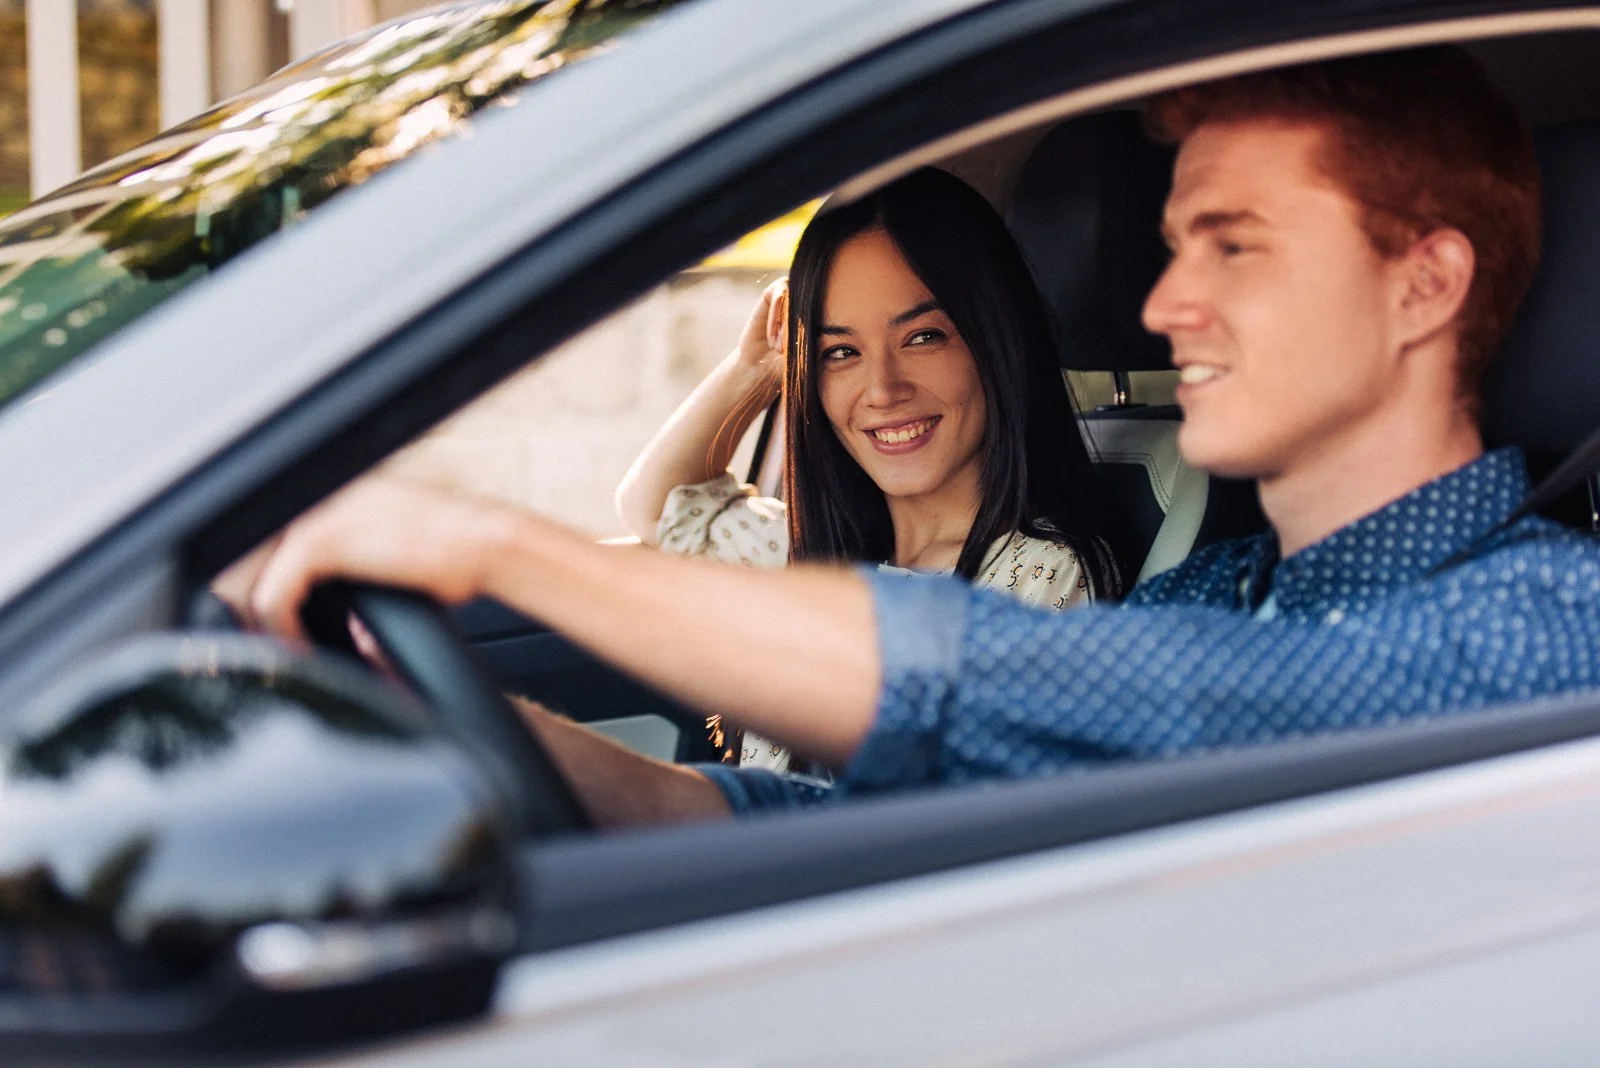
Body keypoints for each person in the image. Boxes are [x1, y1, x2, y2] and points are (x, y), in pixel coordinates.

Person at [226, 46, 1600, 827]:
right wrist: (488, 739)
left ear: (1425, 282)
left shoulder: (1546, 632)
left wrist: (496, 549)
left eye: (1231, 245)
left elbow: (1010, 677)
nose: (1166, 300)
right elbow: (847, 824)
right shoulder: (1216, 589)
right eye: (1174, 243)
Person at [614, 168, 1128, 769]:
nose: (882, 389)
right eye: (841, 352)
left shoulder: (1040, 574)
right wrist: (752, 371)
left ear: (996, 338)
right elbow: (657, 509)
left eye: (923, 337)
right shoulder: (808, 554)